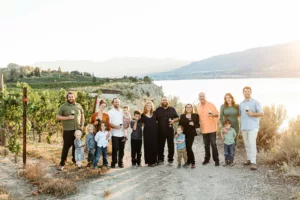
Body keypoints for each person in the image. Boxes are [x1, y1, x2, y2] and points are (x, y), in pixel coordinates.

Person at [56, 92, 85, 171]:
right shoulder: (63, 106)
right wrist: (67, 118)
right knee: (66, 147)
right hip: (67, 130)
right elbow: (57, 117)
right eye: (69, 97)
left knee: (76, 146)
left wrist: (82, 126)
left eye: (72, 97)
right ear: (67, 98)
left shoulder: (78, 105)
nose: (71, 98)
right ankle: (62, 163)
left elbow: (82, 116)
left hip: (77, 130)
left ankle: (75, 161)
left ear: (74, 97)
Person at [239, 86, 264, 170]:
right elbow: (240, 115)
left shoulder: (255, 102)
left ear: (251, 92)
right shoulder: (241, 104)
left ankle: (254, 162)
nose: (247, 92)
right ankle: (249, 159)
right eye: (245, 91)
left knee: (252, 143)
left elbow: (261, 113)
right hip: (244, 127)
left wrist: (252, 114)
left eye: (248, 91)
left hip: (253, 127)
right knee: (247, 144)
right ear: (243, 93)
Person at [197, 92, 220, 166]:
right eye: (200, 96)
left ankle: (216, 160)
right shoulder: (198, 106)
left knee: (213, 144)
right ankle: (207, 159)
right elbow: (198, 118)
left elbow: (217, 114)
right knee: (206, 145)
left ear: (205, 97)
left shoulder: (211, 104)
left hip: (212, 128)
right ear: (198, 98)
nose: (202, 97)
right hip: (204, 129)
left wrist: (213, 114)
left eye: (203, 96)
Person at [155, 97, 179, 165]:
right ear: (161, 101)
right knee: (160, 146)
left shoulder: (172, 109)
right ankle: (160, 159)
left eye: (166, 100)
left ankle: (170, 160)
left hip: (170, 130)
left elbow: (177, 117)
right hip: (160, 131)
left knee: (171, 146)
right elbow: (154, 118)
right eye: (163, 100)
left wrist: (173, 120)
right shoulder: (158, 109)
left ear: (168, 101)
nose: (164, 101)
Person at [178, 104, 200, 169]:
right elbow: (180, 125)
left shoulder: (195, 115)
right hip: (184, 134)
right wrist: (177, 132)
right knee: (186, 148)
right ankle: (188, 161)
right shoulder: (182, 116)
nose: (188, 108)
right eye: (187, 107)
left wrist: (193, 124)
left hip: (191, 134)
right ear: (185, 108)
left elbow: (197, 125)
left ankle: (193, 162)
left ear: (192, 108)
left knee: (189, 147)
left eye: (190, 107)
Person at [108, 98, 125, 168]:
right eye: (115, 102)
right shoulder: (110, 112)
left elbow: (126, 119)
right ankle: (113, 162)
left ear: (119, 103)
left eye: (118, 102)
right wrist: (115, 127)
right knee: (115, 149)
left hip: (123, 134)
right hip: (114, 134)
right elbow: (108, 123)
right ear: (113, 103)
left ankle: (120, 162)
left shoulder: (123, 111)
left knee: (122, 149)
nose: (117, 103)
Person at [141, 101, 159, 167]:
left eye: (150, 105)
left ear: (152, 107)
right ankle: (149, 162)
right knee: (148, 146)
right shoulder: (142, 115)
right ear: (145, 106)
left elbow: (158, 121)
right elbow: (141, 124)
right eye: (147, 105)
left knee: (154, 146)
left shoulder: (155, 113)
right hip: (146, 133)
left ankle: (155, 161)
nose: (149, 107)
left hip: (154, 132)